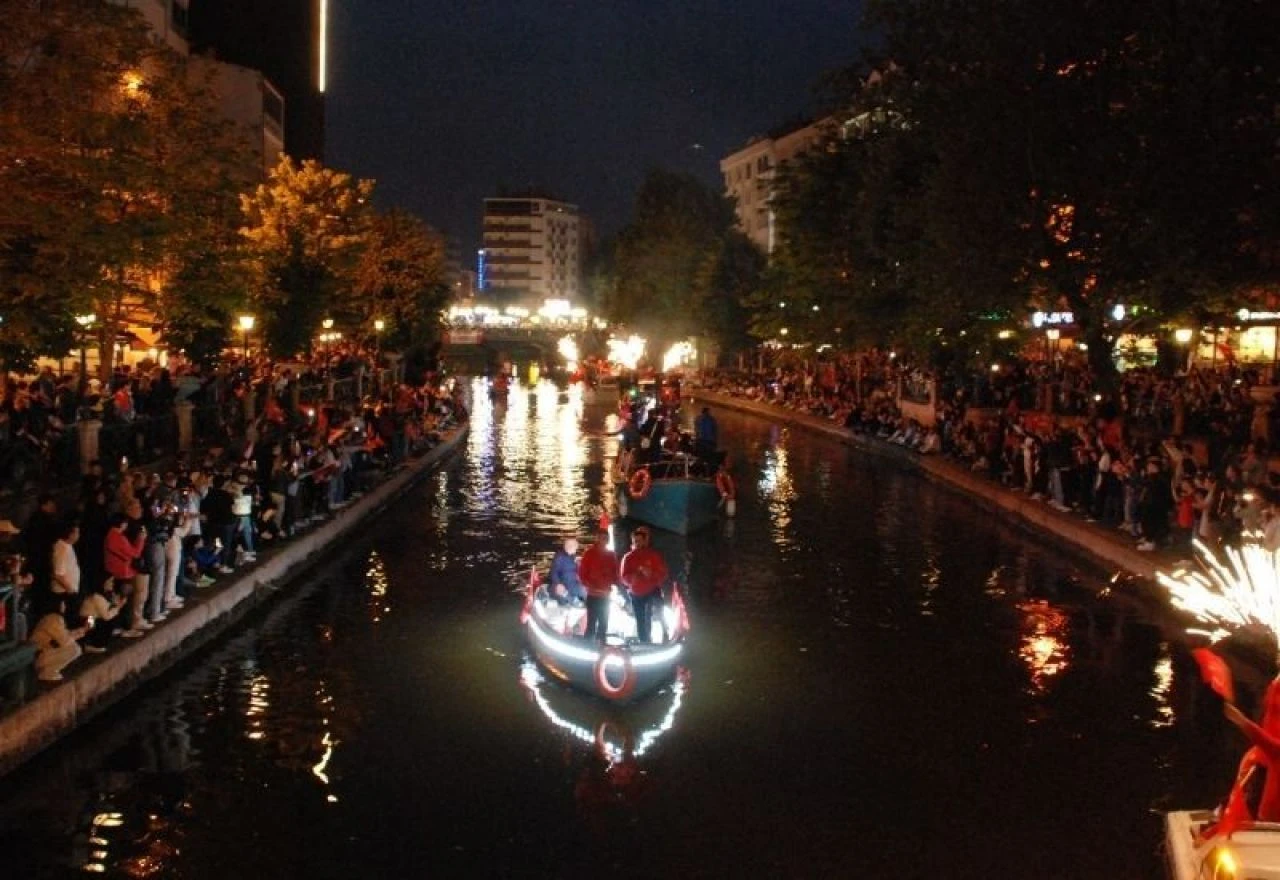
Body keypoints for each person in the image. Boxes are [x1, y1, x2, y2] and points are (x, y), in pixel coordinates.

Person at [619, 526, 669, 644]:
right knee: (640, 618)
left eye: (640, 540)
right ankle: (644, 641)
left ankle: (664, 633)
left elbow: (663, 573)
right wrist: (634, 577)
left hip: (651, 590)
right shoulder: (628, 558)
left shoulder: (653, 555)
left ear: (645, 541)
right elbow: (623, 577)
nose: (637, 543)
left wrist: (651, 574)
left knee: (654, 611)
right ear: (632, 542)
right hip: (636, 593)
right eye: (635, 541)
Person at [29, 594, 86, 682]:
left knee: (73, 646)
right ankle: (47, 672)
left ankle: (48, 670)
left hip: (42, 652)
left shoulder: (53, 618)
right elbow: (64, 641)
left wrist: (78, 632)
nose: (65, 606)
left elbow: (63, 635)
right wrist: (76, 635)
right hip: (38, 656)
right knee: (75, 649)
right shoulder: (53, 619)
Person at [577, 525, 619, 643]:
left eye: (605, 538)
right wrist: (590, 585)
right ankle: (587, 647)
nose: (603, 540)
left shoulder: (611, 555)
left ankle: (601, 646)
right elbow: (582, 574)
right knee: (591, 623)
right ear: (597, 538)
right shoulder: (589, 554)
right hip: (593, 595)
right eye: (601, 538)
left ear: (608, 540)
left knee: (603, 623)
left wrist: (614, 582)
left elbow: (616, 574)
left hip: (605, 596)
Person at [549, 536, 586, 605]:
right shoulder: (560, 557)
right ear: (569, 546)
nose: (576, 548)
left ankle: (587, 605)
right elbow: (554, 572)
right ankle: (574, 602)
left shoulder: (573, 557)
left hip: (573, 584)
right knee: (564, 597)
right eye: (575, 546)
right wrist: (558, 583)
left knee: (585, 590)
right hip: (563, 584)